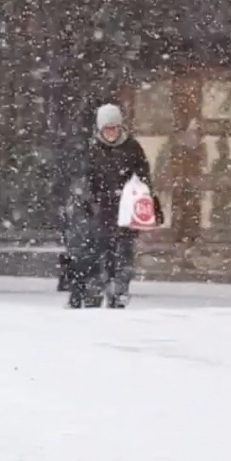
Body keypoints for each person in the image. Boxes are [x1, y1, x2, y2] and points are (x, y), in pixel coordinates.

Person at [71, 103, 158, 309]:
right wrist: (90, 199)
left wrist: (142, 196)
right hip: (100, 209)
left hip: (125, 210)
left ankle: (120, 291)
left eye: (114, 128)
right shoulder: (92, 149)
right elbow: (85, 177)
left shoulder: (132, 147)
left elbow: (143, 175)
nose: (111, 133)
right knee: (99, 251)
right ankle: (96, 289)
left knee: (124, 253)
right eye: (107, 128)